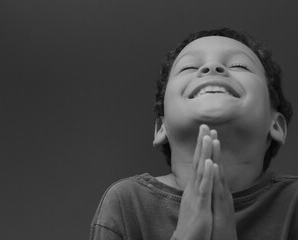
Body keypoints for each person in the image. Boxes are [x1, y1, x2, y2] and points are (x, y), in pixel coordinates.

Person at [89, 28, 296, 240]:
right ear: (161, 128)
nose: (212, 67)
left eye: (239, 65)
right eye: (189, 67)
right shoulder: (127, 203)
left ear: (276, 126)